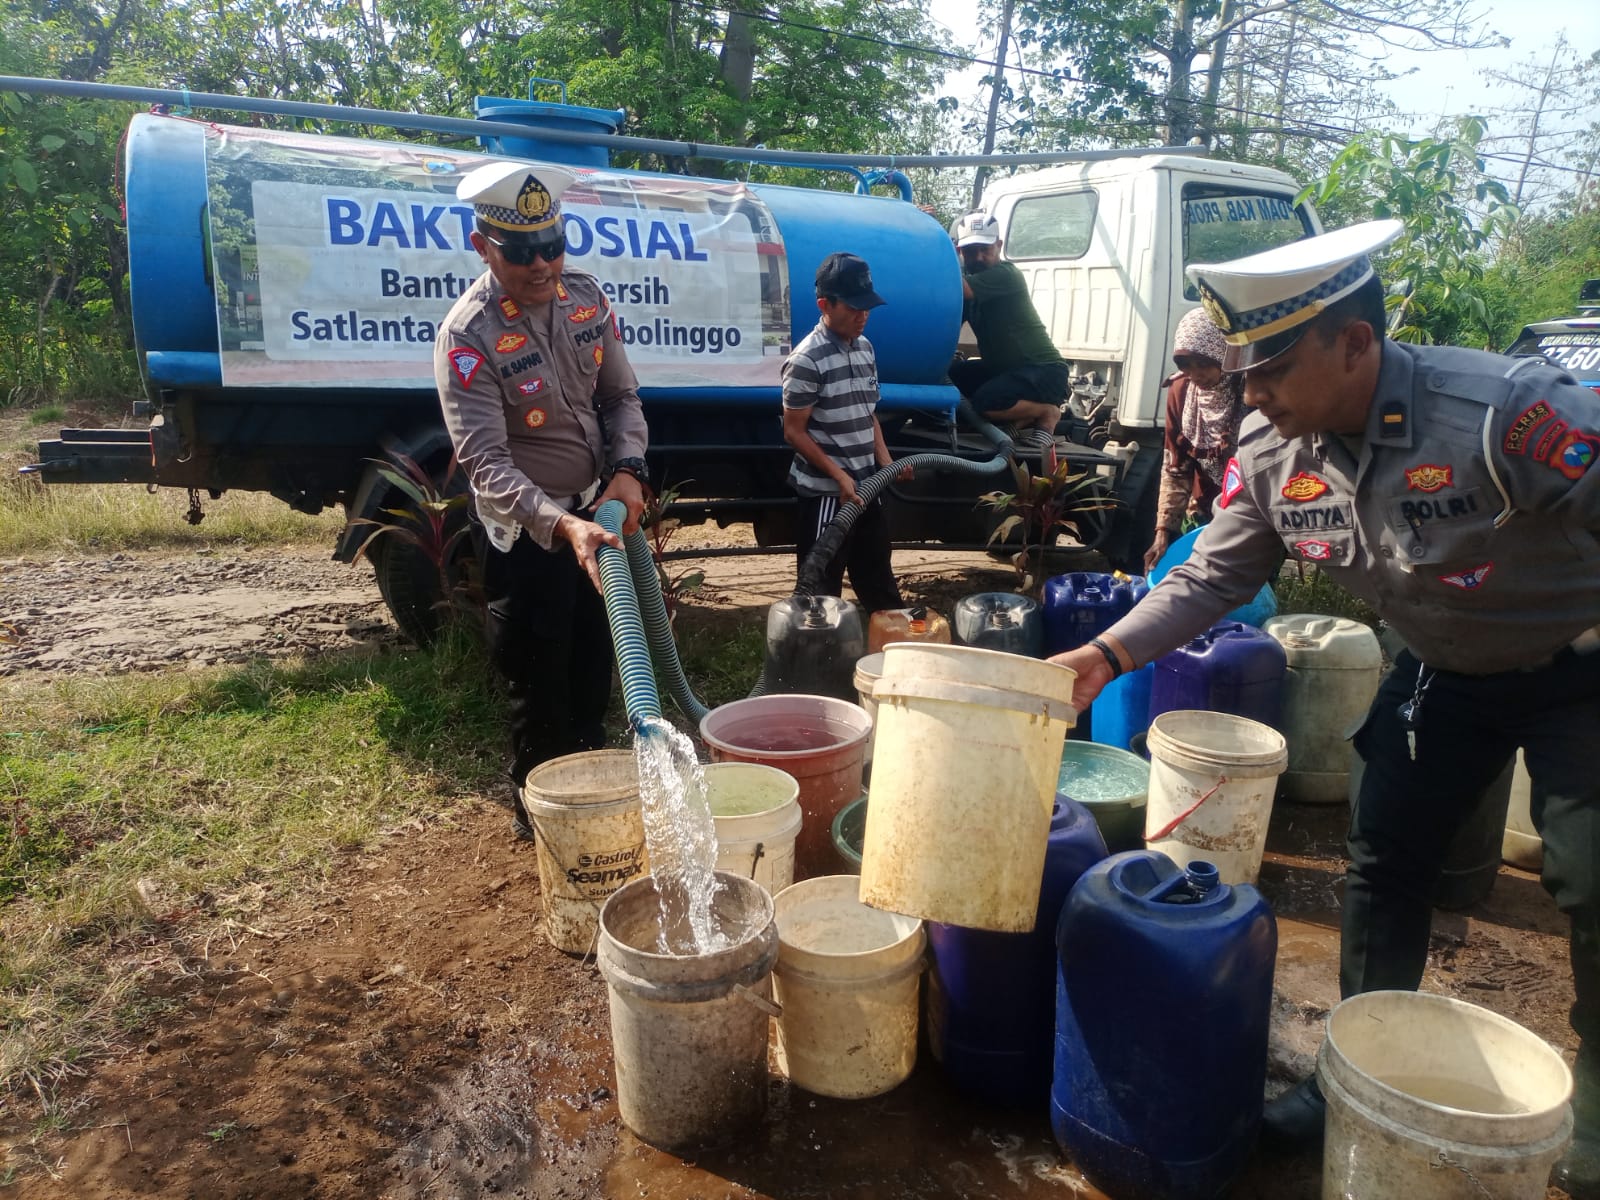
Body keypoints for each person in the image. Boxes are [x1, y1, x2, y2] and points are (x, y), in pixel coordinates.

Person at [1049, 218, 1600, 1197]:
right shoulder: (1270, 448)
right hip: (1438, 668)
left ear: (1355, 343)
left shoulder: (1496, 413)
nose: (1246, 392)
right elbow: (1211, 577)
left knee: (1591, 882)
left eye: (1269, 367)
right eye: (1242, 371)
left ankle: (1594, 1113)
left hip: (1577, 670)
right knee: (1382, 862)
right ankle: (1350, 1078)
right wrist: (1104, 651)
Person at [434, 159, 649, 837]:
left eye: (552, 246)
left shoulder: (585, 300)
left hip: (597, 514)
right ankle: (544, 817)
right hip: (527, 535)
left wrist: (628, 469)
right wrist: (562, 526)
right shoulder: (467, 337)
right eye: (521, 252)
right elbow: (485, 463)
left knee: (595, 659)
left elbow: (620, 397)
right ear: (483, 247)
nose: (542, 266)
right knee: (538, 672)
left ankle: (594, 786)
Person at [782, 252, 906, 612]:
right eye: (853, 307)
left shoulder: (865, 348)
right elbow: (794, 432)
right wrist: (838, 475)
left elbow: (868, 413)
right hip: (826, 494)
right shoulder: (807, 359)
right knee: (820, 589)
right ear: (825, 304)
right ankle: (814, 660)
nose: (862, 315)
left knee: (878, 576)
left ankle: (892, 653)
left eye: (867, 307)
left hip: (865, 487)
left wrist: (886, 464)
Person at [948, 211, 1070, 461]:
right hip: (1005, 370)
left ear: (999, 246)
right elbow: (947, 327)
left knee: (986, 402)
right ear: (961, 252)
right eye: (971, 252)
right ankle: (1021, 417)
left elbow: (957, 287)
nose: (979, 257)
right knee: (950, 381)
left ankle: (1046, 411)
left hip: (1043, 370)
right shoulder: (970, 293)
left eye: (985, 249)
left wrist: (931, 254)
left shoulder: (1007, 275)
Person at [1145, 306, 1248, 572]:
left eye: (1203, 363)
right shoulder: (1181, 391)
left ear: (1225, 354)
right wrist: (1163, 532)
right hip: (1202, 510)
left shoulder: (1250, 391)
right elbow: (1175, 467)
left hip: (1252, 514)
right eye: (1186, 365)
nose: (1195, 374)